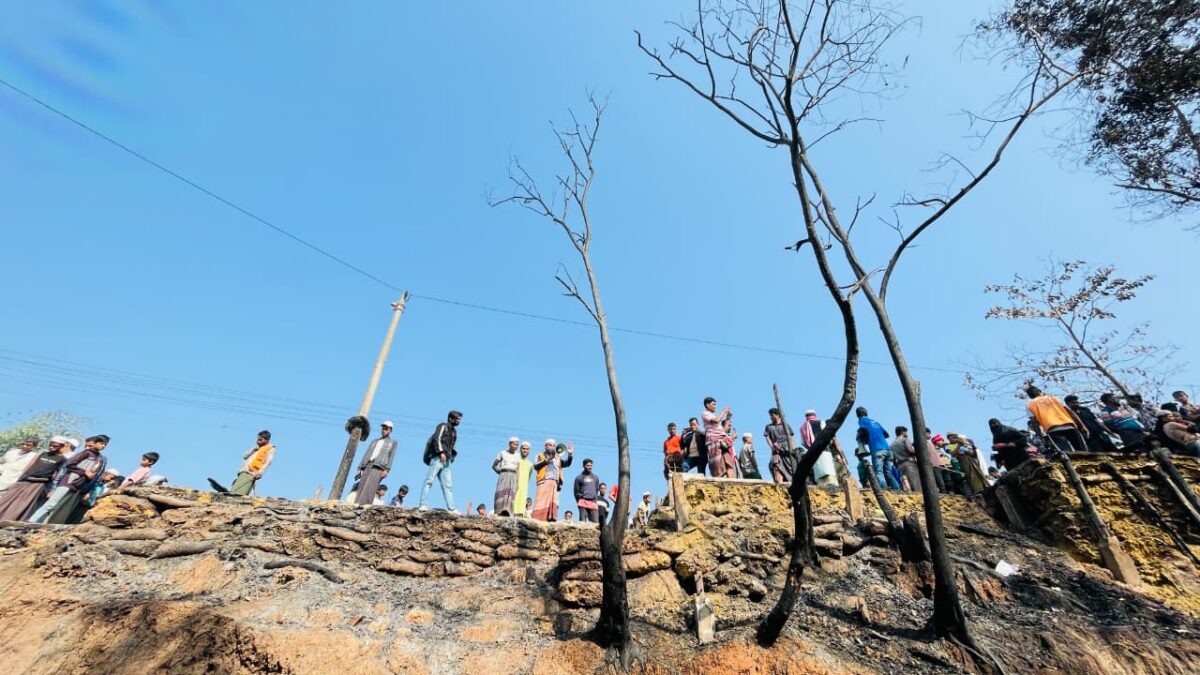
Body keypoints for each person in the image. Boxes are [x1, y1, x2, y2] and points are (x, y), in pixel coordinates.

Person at [30, 434, 109, 524]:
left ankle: (40, 525)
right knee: (51, 504)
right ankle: (31, 521)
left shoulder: (99, 458)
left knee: (57, 507)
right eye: (101, 443)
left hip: (78, 485)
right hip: (68, 482)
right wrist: (84, 472)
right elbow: (70, 464)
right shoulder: (86, 453)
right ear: (94, 443)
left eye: (105, 445)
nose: (103, 446)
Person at [0, 439, 70, 521]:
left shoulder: (62, 459)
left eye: (55, 446)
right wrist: (21, 478)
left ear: (61, 447)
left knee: (22, 504)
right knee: (7, 498)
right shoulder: (42, 454)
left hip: (38, 483)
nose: (51, 447)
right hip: (25, 480)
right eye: (50, 445)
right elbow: (29, 466)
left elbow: (58, 475)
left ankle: (8, 520)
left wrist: (52, 490)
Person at [208, 431, 275, 497]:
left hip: (252, 473)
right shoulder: (256, 448)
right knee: (236, 486)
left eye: (260, 440)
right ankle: (229, 492)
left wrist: (260, 473)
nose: (258, 441)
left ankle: (231, 495)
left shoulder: (270, 448)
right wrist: (254, 449)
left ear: (267, 439)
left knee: (240, 491)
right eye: (257, 439)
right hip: (244, 470)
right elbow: (244, 456)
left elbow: (268, 462)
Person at [1025, 386, 1087, 455]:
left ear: (1030, 396)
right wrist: (1082, 425)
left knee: (1066, 453)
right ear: (1040, 392)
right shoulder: (1053, 398)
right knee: (1083, 451)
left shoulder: (1029, 405)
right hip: (1069, 425)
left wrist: (1041, 436)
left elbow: (1034, 422)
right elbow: (1070, 411)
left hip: (1053, 430)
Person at [419, 411, 461, 512]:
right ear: (451, 418)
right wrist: (441, 452)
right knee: (429, 480)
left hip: (447, 461)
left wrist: (451, 457)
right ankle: (422, 504)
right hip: (437, 458)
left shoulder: (454, 432)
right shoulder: (442, 426)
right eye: (457, 419)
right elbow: (437, 438)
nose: (459, 421)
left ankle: (451, 508)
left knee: (448, 485)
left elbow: (452, 446)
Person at [856, 408, 900, 490]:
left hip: (877, 450)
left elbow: (864, 431)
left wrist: (863, 439)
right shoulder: (875, 422)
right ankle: (897, 490)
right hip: (887, 449)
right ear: (867, 413)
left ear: (858, 415)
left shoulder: (862, 420)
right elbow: (886, 434)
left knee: (879, 472)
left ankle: (884, 491)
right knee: (888, 473)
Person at [354, 422, 397, 506]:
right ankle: (357, 504)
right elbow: (366, 453)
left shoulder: (393, 442)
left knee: (371, 486)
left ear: (390, 430)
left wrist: (387, 469)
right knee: (362, 484)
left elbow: (391, 457)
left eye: (386, 428)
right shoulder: (374, 441)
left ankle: (365, 505)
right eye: (383, 428)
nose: (383, 430)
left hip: (379, 466)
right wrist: (360, 467)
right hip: (368, 464)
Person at [532, 440, 573, 521]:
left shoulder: (557, 457)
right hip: (544, 481)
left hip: (555, 483)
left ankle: (551, 518)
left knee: (553, 502)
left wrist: (570, 454)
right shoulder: (540, 455)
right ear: (546, 446)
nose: (552, 447)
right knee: (541, 501)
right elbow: (535, 466)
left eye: (554, 445)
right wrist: (546, 460)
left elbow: (567, 463)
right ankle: (538, 519)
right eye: (550, 445)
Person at [947, 432, 986, 498]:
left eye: (953, 437)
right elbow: (953, 454)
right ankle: (975, 492)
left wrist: (969, 448)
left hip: (971, 460)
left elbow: (973, 453)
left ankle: (981, 490)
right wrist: (959, 445)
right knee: (969, 476)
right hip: (962, 461)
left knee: (977, 474)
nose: (951, 439)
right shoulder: (948, 446)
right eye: (950, 438)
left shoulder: (965, 441)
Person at [764, 408, 796, 484]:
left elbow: (791, 438)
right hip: (776, 450)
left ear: (778, 415)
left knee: (791, 467)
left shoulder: (785, 425)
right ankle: (779, 483)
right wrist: (772, 447)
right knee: (776, 465)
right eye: (770, 416)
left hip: (787, 450)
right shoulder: (768, 427)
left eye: (772, 415)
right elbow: (767, 437)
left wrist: (793, 448)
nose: (771, 417)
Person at [702, 397, 732, 477]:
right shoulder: (705, 413)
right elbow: (716, 420)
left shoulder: (713, 415)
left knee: (726, 461)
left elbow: (722, 427)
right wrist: (723, 411)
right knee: (717, 463)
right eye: (713, 404)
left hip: (721, 440)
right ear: (707, 405)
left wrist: (728, 417)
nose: (715, 406)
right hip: (713, 440)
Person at [492, 437, 521, 517]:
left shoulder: (518, 455)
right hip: (504, 474)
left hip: (513, 475)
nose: (515, 446)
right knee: (501, 492)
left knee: (510, 493)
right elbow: (494, 465)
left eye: (517, 445)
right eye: (514, 444)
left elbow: (518, 469)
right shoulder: (502, 453)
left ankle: (508, 512)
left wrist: (517, 481)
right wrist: (500, 472)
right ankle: (498, 511)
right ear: (509, 444)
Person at [890, 427, 919, 493]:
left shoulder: (892, 445)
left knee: (906, 484)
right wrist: (919, 452)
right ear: (903, 432)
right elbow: (910, 451)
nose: (907, 434)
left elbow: (893, 460)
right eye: (906, 432)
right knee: (915, 483)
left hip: (900, 466)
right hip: (910, 464)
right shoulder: (905, 440)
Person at [574, 458, 601, 524]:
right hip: (583, 501)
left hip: (593, 502)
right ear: (583, 466)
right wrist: (580, 499)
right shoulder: (579, 478)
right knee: (582, 523)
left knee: (596, 524)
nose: (590, 467)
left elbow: (596, 489)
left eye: (591, 465)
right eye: (588, 465)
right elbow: (576, 491)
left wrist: (595, 498)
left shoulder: (595, 477)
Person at [513, 442, 536, 517]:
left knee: (521, 506)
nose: (525, 450)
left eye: (527, 449)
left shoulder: (530, 464)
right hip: (513, 486)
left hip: (523, 489)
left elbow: (528, 478)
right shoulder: (515, 460)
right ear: (520, 449)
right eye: (523, 448)